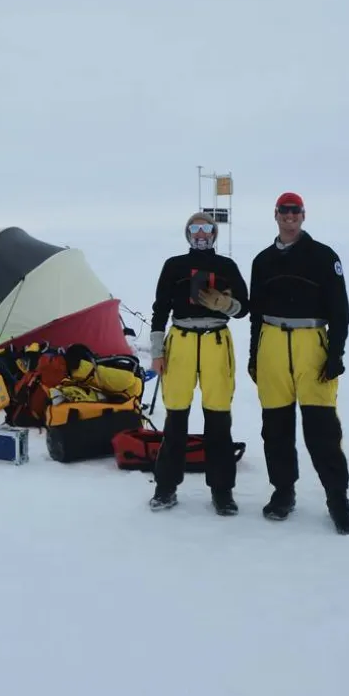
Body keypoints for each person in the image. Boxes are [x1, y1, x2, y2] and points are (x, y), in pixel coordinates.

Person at [248, 192, 349, 533]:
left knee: (322, 429)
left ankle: (337, 500)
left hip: (311, 344)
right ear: (276, 214)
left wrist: (336, 354)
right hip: (271, 345)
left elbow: (340, 312)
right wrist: (255, 354)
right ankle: (283, 493)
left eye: (295, 211)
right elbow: (255, 315)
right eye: (284, 211)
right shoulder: (262, 260)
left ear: (303, 215)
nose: (290, 216)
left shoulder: (324, 257)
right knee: (276, 428)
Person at [147, 211, 250, 515]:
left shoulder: (226, 266)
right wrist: (157, 352)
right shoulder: (174, 265)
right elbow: (159, 310)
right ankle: (165, 488)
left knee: (218, 418)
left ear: (215, 234)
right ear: (188, 233)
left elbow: (244, 307)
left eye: (207, 228)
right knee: (175, 418)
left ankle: (222, 492)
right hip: (181, 341)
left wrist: (225, 304)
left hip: (216, 342)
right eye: (196, 228)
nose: (202, 233)